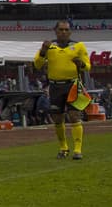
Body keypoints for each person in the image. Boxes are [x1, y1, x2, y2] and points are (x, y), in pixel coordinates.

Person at [32, 20, 91, 160]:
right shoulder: (49, 47)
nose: (64, 32)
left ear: (70, 32)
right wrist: (43, 51)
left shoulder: (78, 46)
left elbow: (88, 67)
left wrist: (80, 63)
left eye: (66, 30)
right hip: (55, 86)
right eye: (61, 30)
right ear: (56, 31)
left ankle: (77, 150)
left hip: (72, 85)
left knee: (74, 115)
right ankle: (63, 147)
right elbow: (37, 64)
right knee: (58, 118)